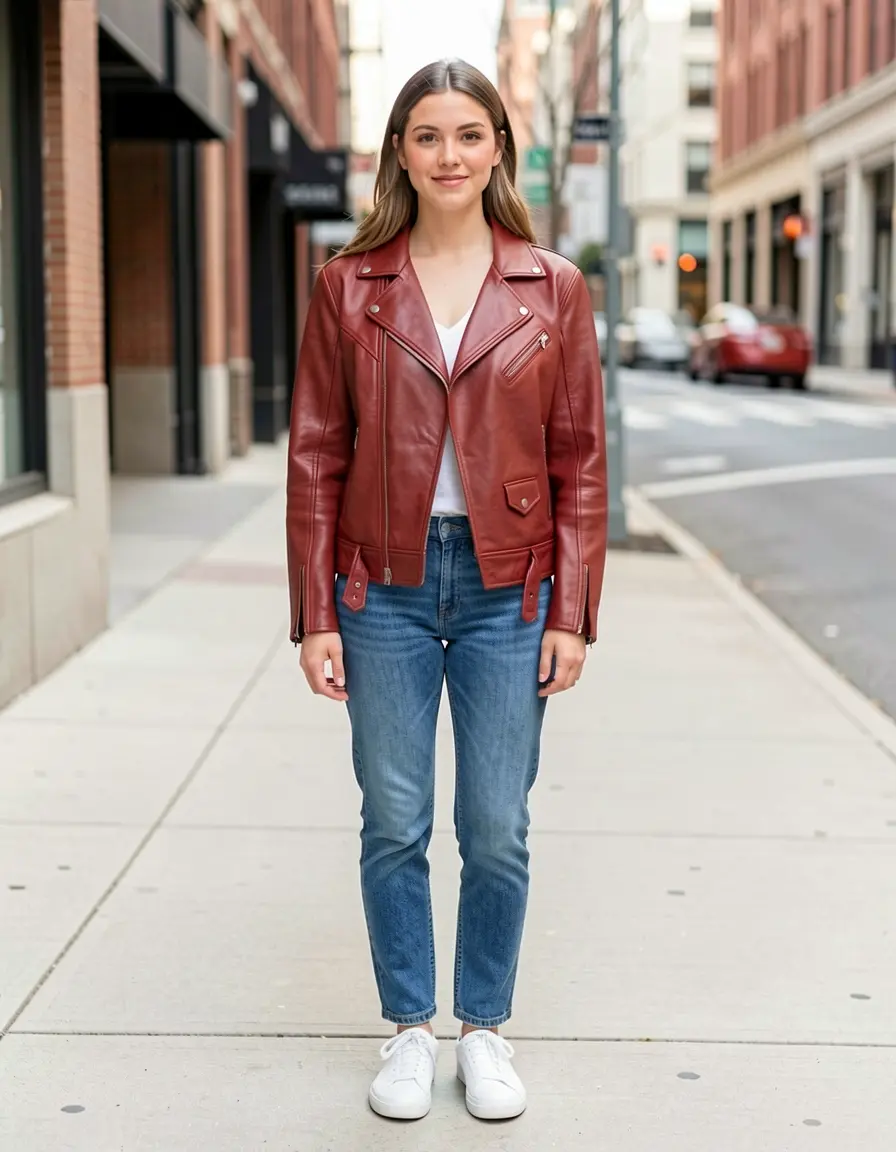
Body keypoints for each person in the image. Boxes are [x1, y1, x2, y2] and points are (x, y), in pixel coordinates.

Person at [286, 58, 607, 1122]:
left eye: (469, 135)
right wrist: (314, 612)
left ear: (498, 150)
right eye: (427, 136)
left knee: (496, 825)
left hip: (507, 591)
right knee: (393, 817)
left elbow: (580, 460)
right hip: (380, 585)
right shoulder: (349, 285)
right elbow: (316, 453)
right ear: (399, 153)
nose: (449, 155)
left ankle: (484, 1029)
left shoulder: (551, 287)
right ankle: (409, 1031)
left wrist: (572, 609)